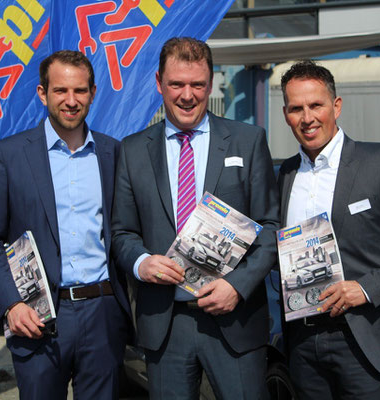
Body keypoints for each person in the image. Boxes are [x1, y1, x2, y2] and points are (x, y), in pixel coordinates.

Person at [111, 37, 279, 399]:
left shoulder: (247, 141)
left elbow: (271, 228)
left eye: (198, 85)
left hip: (234, 318)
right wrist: (141, 263)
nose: (187, 95)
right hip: (165, 324)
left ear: (211, 82)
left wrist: (238, 285)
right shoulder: (133, 150)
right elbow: (121, 232)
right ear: (159, 83)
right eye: (177, 84)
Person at [277, 60, 380, 399]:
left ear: (336, 106)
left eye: (316, 105)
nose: (307, 117)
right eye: (296, 108)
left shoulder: (378, 161)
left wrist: (365, 288)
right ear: (286, 114)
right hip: (303, 342)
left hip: (363, 337)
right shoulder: (285, 174)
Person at [0, 50, 131, 399]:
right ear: (43, 93)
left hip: (102, 311)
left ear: (92, 93)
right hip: (37, 316)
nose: (71, 101)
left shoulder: (114, 153)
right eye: (60, 91)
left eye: (80, 91)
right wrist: (11, 304)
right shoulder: (9, 155)